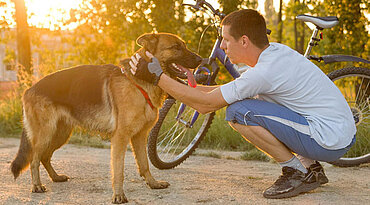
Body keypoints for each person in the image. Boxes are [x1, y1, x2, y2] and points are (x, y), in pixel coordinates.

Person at [127, 9, 356, 199]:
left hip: (329, 140)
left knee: (238, 111)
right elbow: (216, 92)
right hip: (333, 131)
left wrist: (157, 77)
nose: (223, 47)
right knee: (244, 103)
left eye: (226, 40)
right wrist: (175, 87)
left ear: (244, 40)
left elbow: (207, 104)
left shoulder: (263, 72)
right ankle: (311, 168)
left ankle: (296, 172)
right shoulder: (274, 54)